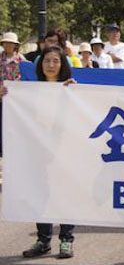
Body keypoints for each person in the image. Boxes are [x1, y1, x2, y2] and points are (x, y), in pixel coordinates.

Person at [16, 45, 77, 259]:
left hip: (64, 152)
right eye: (47, 61)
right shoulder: (30, 91)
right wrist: (7, 95)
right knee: (41, 196)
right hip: (40, 152)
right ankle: (43, 240)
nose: (51, 65)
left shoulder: (72, 89)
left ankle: (66, 240)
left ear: (63, 65)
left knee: (65, 194)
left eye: (55, 61)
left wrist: (77, 93)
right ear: (40, 65)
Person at [1, 32, 25, 157]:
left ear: (15, 45)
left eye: (11, 43)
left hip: (16, 101)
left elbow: (26, 79)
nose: (8, 45)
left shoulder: (21, 60)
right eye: (6, 43)